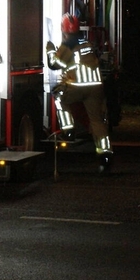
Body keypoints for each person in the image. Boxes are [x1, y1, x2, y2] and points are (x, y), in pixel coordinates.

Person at [46, 13, 113, 174]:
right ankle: (105, 156)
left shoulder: (67, 44)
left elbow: (54, 64)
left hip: (78, 87)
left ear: (63, 29)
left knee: (58, 96)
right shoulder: (87, 43)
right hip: (96, 87)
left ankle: (68, 130)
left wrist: (50, 50)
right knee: (97, 121)